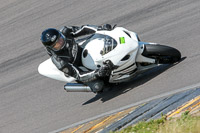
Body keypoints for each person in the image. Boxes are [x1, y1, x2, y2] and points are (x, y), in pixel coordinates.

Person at [40, 24, 113, 92]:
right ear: (51, 48)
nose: (60, 43)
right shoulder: (60, 61)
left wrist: (100, 28)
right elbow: (79, 75)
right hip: (80, 68)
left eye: (60, 39)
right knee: (98, 86)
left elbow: (83, 29)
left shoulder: (65, 31)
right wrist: (97, 73)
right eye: (56, 45)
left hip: (82, 51)